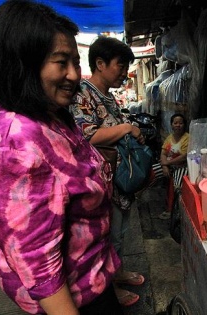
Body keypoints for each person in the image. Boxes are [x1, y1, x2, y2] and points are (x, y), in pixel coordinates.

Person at [0, 1, 123, 314]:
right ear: (23, 63)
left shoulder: (44, 111)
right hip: (74, 297)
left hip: (89, 275)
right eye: (61, 62)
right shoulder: (17, 146)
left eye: (76, 63)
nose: (73, 75)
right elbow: (40, 268)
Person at [69, 35, 146, 307]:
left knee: (120, 232)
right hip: (100, 183)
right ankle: (109, 288)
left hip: (119, 180)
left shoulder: (107, 97)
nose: (124, 73)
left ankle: (118, 271)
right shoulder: (82, 95)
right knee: (107, 236)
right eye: (120, 65)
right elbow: (86, 136)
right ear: (100, 63)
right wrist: (126, 129)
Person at [158, 113, 190, 220]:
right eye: (175, 123)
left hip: (182, 167)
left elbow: (184, 157)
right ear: (171, 125)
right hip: (168, 165)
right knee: (151, 173)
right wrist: (164, 166)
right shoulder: (169, 138)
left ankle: (171, 210)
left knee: (175, 185)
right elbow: (163, 153)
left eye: (180, 123)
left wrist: (167, 163)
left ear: (184, 125)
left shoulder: (187, 138)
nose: (178, 125)